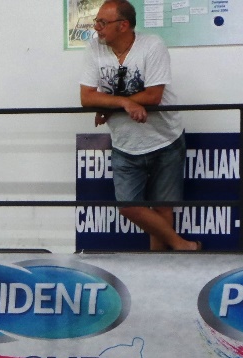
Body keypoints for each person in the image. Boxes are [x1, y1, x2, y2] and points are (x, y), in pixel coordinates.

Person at [79, 0, 198, 252]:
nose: (97, 28)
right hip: (125, 144)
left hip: (164, 139)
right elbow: (87, 97)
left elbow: (154, 95)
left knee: (162, 207)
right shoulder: (95, 47)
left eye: (102, 22)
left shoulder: (152, 45)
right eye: (96, 22)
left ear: (123, 25)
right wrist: (123, 103)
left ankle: (158, 264)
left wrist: (109, 106)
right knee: (128, 206)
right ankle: (181, 245)